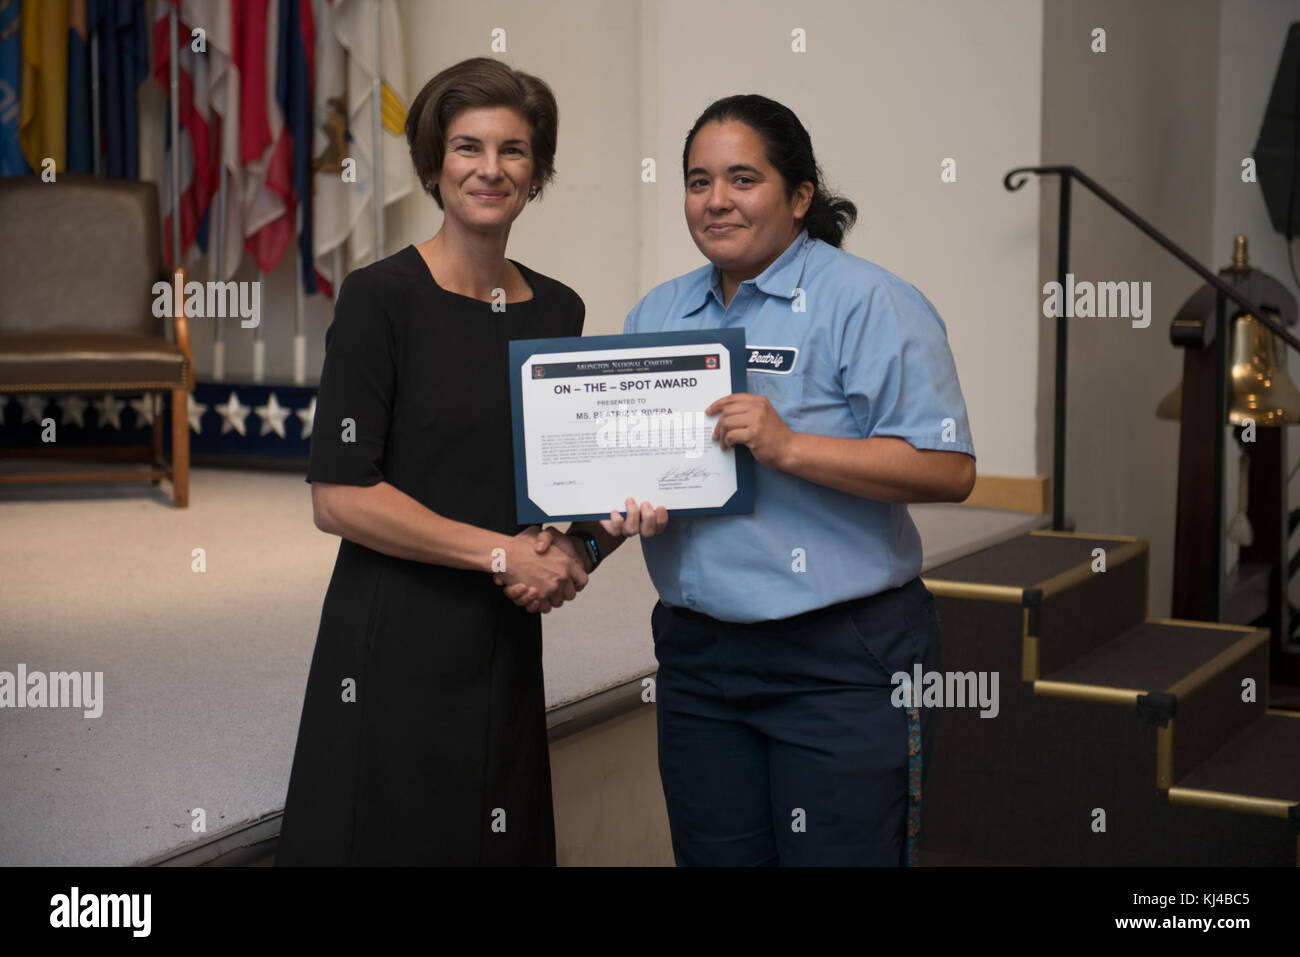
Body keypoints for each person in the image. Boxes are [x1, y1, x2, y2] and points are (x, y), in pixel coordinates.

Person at [505, 94, 976, 866]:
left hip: (842, 661)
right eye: (699, 181)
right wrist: (581, 543)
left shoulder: (869, 302)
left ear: (800, 196)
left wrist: (790, 447)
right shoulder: (660, 312)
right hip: (699, 662)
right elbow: (629, 474)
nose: (716, 199)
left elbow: (949, 469)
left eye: (742, 178)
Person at [277, 57, 592, 866]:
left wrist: (588, 539)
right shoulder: (380, 298)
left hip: (505, 634)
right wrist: (502, 552)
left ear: (537, 172)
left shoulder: (560, 310)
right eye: (467, 147)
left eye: (514, 150)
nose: (491, 169)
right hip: (395, 631)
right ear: (433, 164)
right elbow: (339, 497)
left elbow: (566, 477)